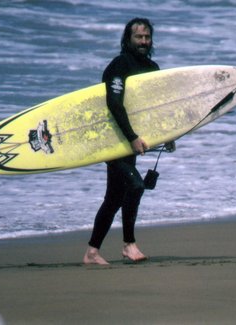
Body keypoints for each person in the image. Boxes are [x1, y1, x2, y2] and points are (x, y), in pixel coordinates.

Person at [83, 18, 160, 265]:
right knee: (135, 186)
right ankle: (129, 245)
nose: (144, 42)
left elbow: (155, 110)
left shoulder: (152, 67)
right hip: (113, 140)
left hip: (131, 144)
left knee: (114, 198)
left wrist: (167, 137)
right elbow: (114, 104)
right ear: (128, 39)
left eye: (147, 37)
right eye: (139, 37)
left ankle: (91, 253)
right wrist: (132, 137)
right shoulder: (119, 65)